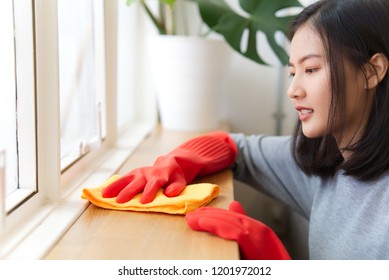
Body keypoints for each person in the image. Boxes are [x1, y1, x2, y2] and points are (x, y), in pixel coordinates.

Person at [102, 0, 389, 260]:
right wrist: (178, 160)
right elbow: (240, 149)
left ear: (372, 71)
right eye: (292, 72)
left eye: (311, 69)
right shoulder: (329, 163)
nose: (293, 90)